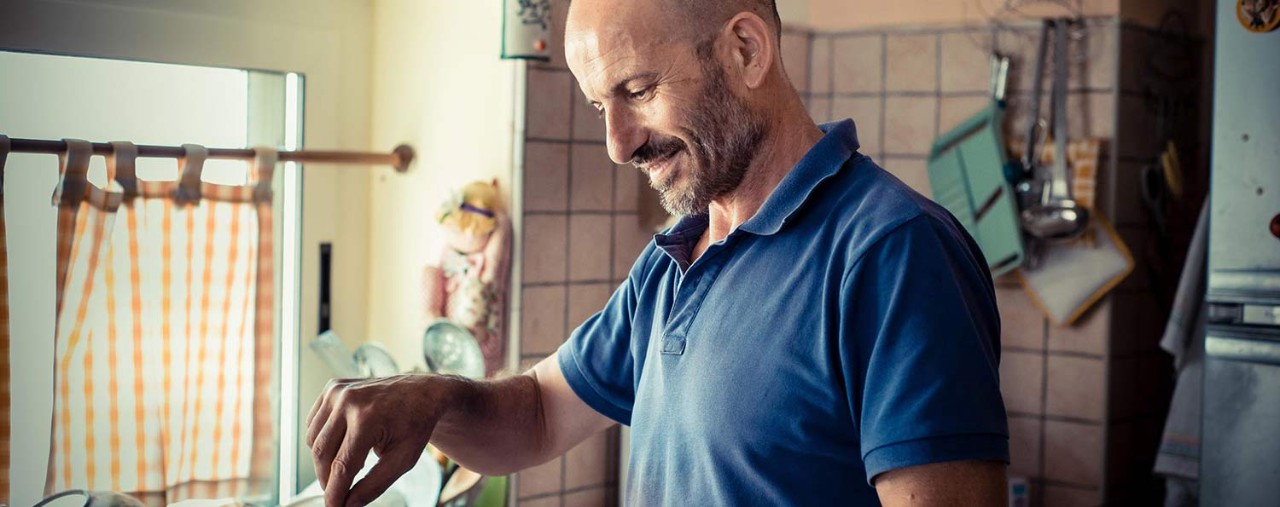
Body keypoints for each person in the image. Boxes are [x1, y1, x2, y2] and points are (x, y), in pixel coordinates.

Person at [305, 0, 1009, 505]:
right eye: (597, 106)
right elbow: (542, 414)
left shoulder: (893, 252)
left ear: (745, 50)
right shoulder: (676, 257)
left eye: (637, 91)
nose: (619, 143)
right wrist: (433, 397)